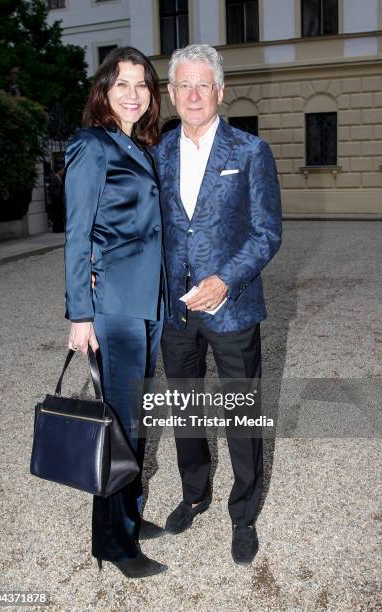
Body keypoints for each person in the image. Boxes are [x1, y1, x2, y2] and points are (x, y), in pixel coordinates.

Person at [151, 44, 282, 565]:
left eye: (204, 84)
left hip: (232, 309)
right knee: (183, 407)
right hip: (175, 311)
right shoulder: (157, 153)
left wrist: (225, 280)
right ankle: (194, 492)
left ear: (220, 92)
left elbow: (267, 232)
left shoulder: (250, 151)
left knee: (241, 414)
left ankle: (244, 515)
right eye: (184, 85)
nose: (194, 94)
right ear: (172, 93)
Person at [64, 46, 167, 578]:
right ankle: (114, 544)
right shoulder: (91, 146)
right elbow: (77, 233)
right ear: (104, 91)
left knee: (136, 420)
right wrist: (80, 314)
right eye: (121, 83)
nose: (133, 93)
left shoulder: (141, 146)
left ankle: (127, 514)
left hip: (148, 305)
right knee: (121, 427)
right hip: (114, 310)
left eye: (142, 84)